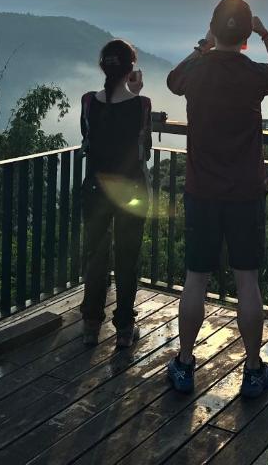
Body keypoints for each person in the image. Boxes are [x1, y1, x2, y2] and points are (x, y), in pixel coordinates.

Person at [164, 0, 268, 398]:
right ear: (246, 35)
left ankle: (184, 364)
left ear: (213, 30)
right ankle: (253, 369)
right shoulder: (254, 76)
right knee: (247, 280)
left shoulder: (196, 73)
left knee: (195, 280)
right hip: (246, 193)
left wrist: (203, 45)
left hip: (202, 192)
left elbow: (172, 79)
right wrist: (265, 32)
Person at [79, 39, 151, 348]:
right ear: (131, 69)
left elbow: (88, 138)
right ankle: (123, 329)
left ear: (102, 67)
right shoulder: (141, 105)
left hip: (96, 190)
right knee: (126, 257)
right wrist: (135, 92)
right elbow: (143, 152)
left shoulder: (87, 102)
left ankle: (91, 325)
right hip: (131, 191)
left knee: (96, 255)